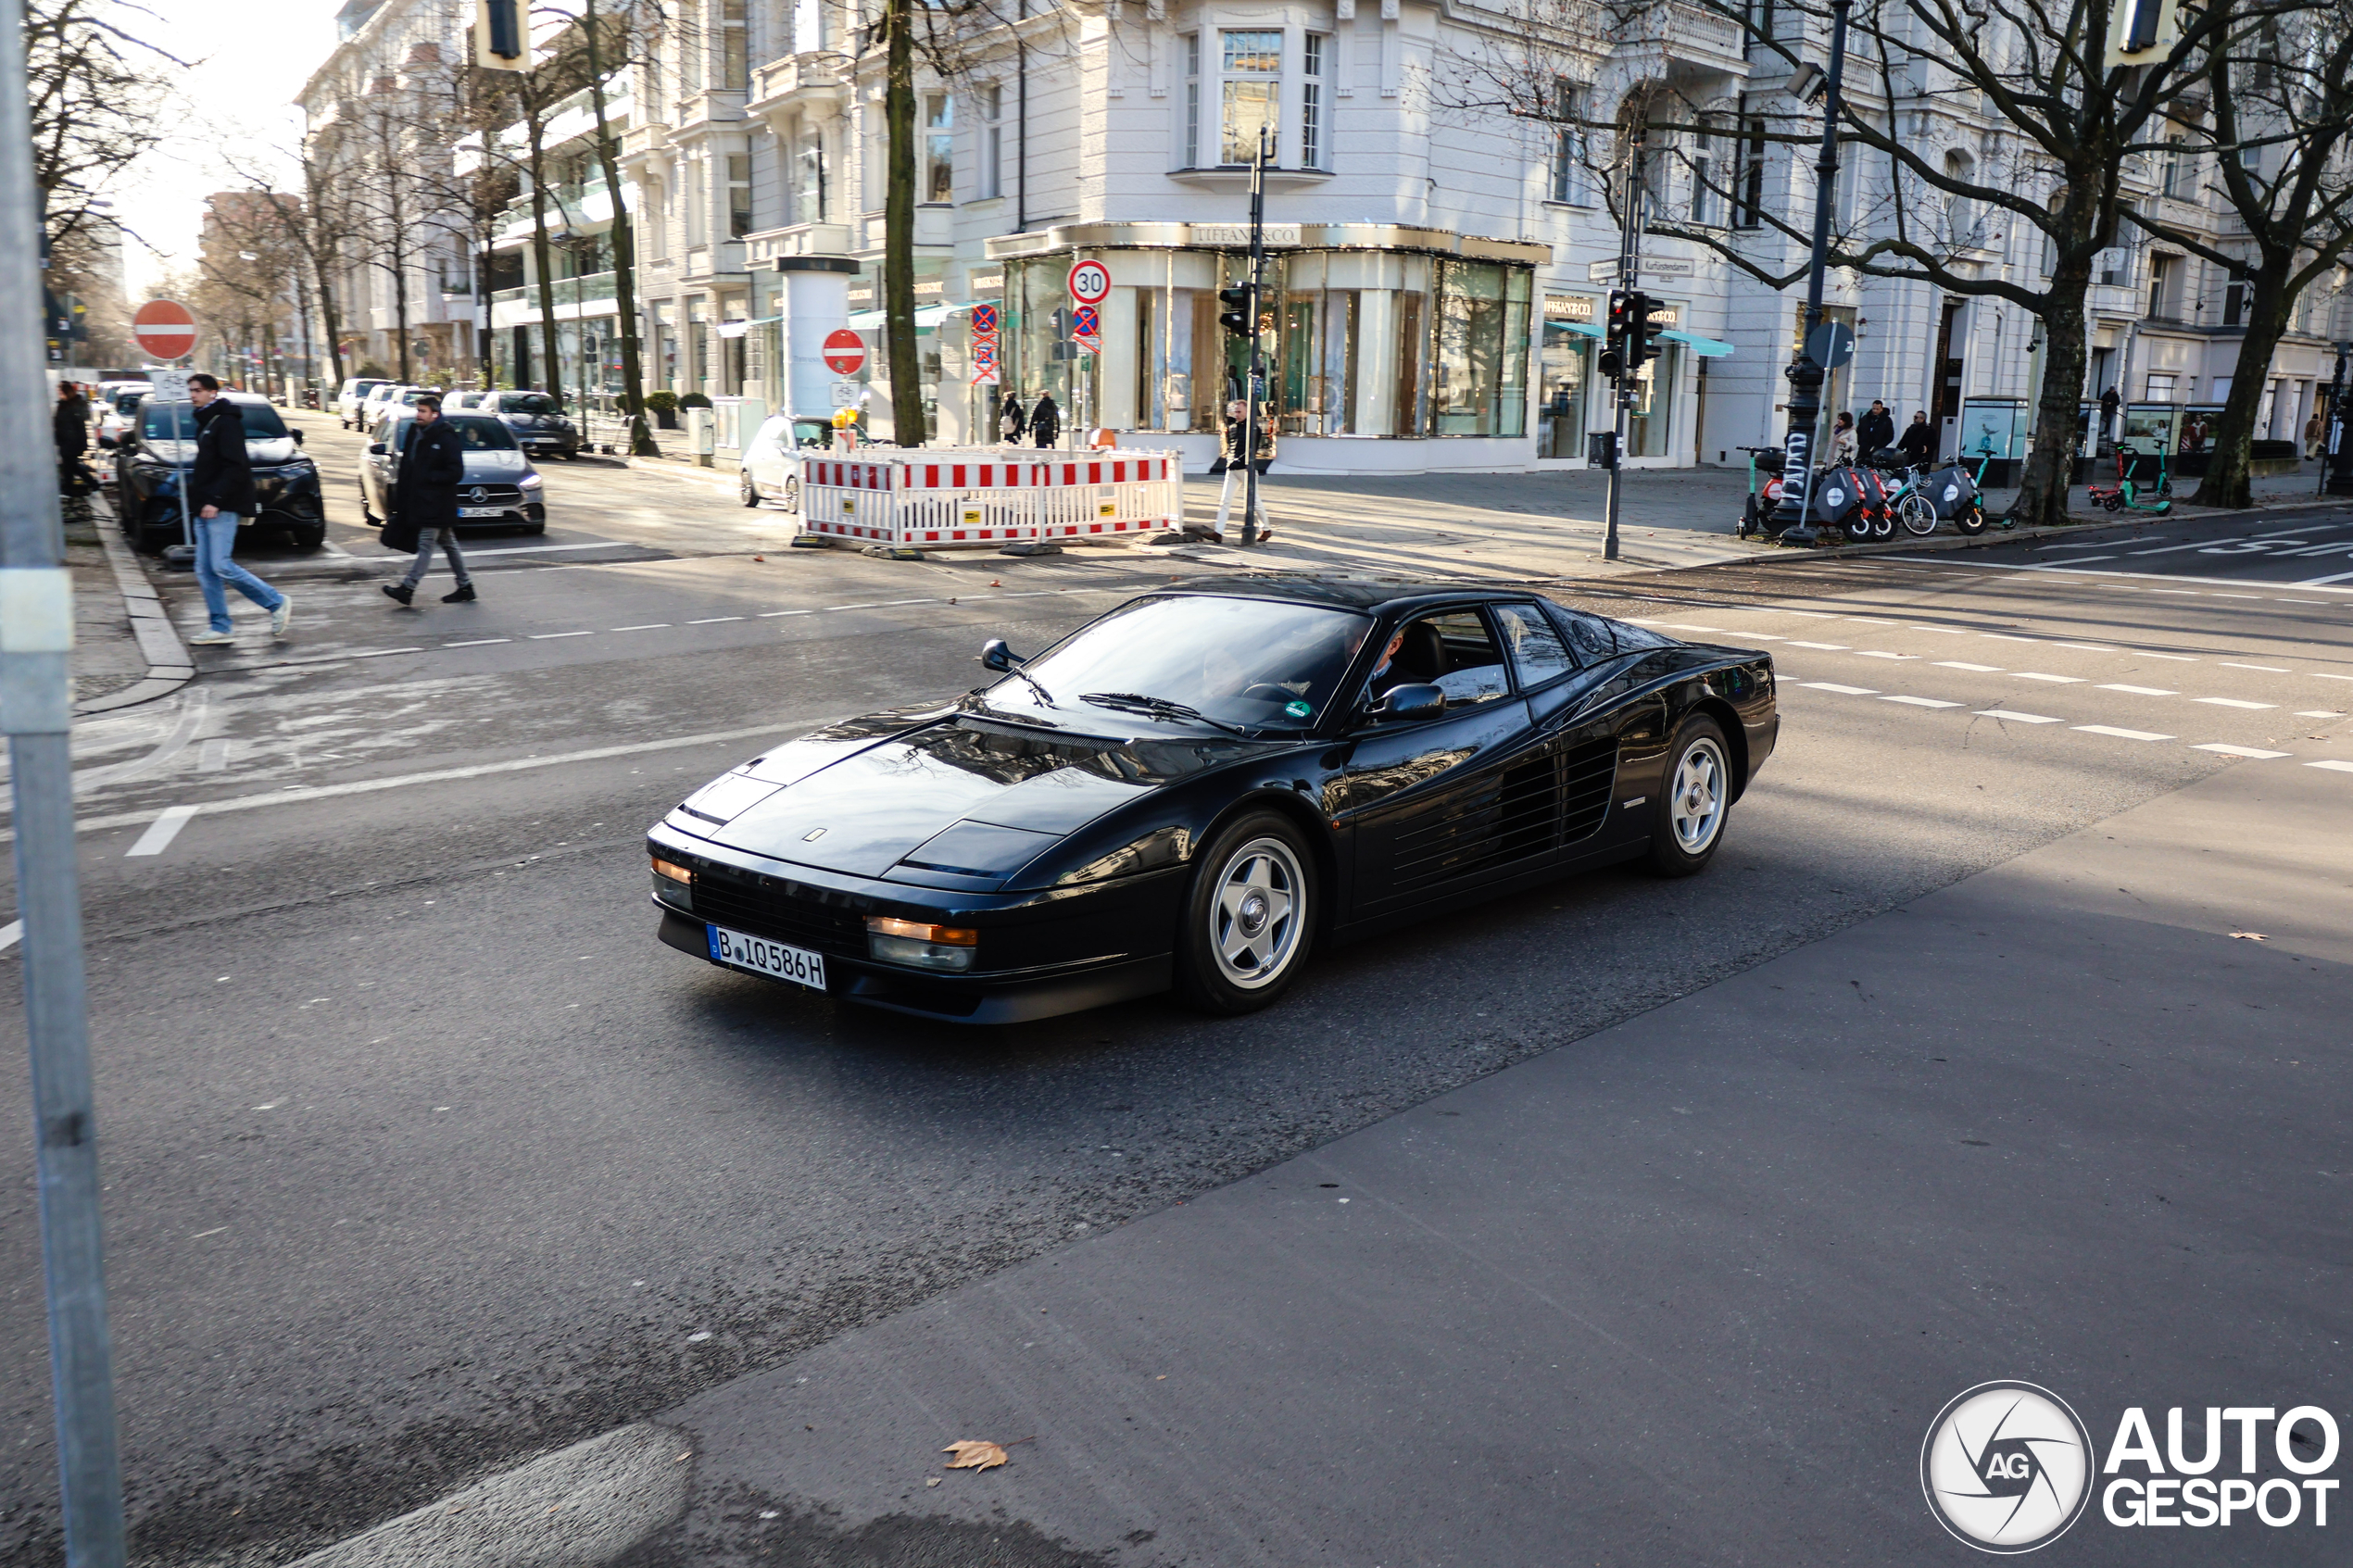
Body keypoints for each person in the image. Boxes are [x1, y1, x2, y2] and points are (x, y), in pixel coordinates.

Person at [184, 373, 291, 646]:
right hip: (205, 505)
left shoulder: (226, 422)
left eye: (197, 390)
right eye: (191, 390)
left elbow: (236, 467)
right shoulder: (207, 422)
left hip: (222, 505)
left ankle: (276, 602)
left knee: (221, 565)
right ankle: (220, 627)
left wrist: (215, 499)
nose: (192, 395)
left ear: (212, 393)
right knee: (206, 570)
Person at [383, 395, 474, 606]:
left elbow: (456, 472)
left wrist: (430, 478)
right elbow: (408, 466)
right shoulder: (417, 433)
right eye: (418, 411)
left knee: (426, 545)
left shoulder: (445, 437)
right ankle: (465, 586)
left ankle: (408, 587)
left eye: (423, 411)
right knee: (449, 544)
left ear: (435, 414)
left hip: (437, 504)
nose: (419, 415)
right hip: (421, 501)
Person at [54, 381, 96, 497]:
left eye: (60, 391)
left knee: (70, 466)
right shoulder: (65, 405)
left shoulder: (72, 406)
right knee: (71, 466)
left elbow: (79, 426)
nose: (58, 393)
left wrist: (83, 443)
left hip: (71, 442)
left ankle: (71, 487)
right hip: (66, 441)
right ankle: (90, 484)